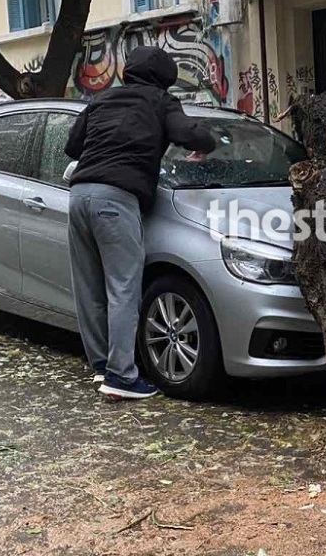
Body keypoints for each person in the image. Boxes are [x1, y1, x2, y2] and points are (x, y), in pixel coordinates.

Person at [65, 46, 217, 400]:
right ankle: (121, 377)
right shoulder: (160, 101)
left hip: (79, 195)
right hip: (116, 200)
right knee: (123, 287)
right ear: (164, 79)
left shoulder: (102, 99)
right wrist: (206, 143)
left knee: (89, 286)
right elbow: (187, 133)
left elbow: (73, 146)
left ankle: (103, 365)